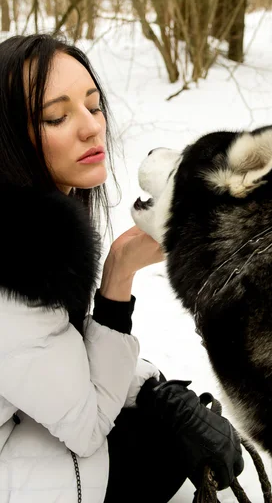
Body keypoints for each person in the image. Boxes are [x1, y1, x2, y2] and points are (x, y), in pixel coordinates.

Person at [0, 34, 244, 503]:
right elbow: (88, 426)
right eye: (57, 116)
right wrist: (118, 277)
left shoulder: (36, 227)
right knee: (160, 444)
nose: (92, 128)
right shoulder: (13, 266)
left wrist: (153, 388)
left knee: (157, 418)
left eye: (93, 106)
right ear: (9, 138)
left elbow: (54, 354)